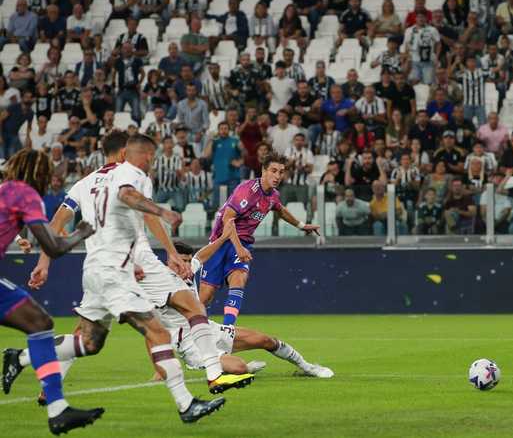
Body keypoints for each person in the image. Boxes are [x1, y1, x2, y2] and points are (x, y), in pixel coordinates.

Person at [18, 132, 253, 405]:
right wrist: (171, 252)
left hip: (100, 265)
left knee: (87, 335)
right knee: (192, 305)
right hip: (136, 259)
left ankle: (34, 370)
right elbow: (145, 212)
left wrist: (43, 263)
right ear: (123, 153)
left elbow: (56, 223)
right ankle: (214, 374)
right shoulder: (130, 175)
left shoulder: (82, 185)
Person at [0, 149, 103, 435]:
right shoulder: (25, 195)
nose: (50, 179)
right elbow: (55, 246)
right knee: (39, 323)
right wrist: (81, 232)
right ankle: (56, 408)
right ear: (40, 174)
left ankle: (58, 410)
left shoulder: (5, 190)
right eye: (48, 173)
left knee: (40, 323)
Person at [152, 239, 334, 379]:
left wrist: (225, 235)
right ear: (170, 260)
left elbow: (202, 255)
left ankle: (307, 367)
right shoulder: (159, 284)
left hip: (209, 329)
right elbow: (151, 328)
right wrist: (161, 367)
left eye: (188, 261)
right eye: (183, 261)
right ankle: (241, 368)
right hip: (192, 345)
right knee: (239, 368)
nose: (188, 265)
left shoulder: (187, 270)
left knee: (264, 340)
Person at [198, 153, 320, 325]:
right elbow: (227, 219)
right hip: (220, 241)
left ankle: (227, 329)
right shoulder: (247, 191)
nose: (277, 176)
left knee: (239, 279)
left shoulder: (273, 195)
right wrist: (239, 248)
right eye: (274, 171)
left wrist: (302, 226)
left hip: (243, 241)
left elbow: (280, 209)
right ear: (264, 170)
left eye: (281, 172)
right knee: (205, 295)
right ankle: (193, 332)